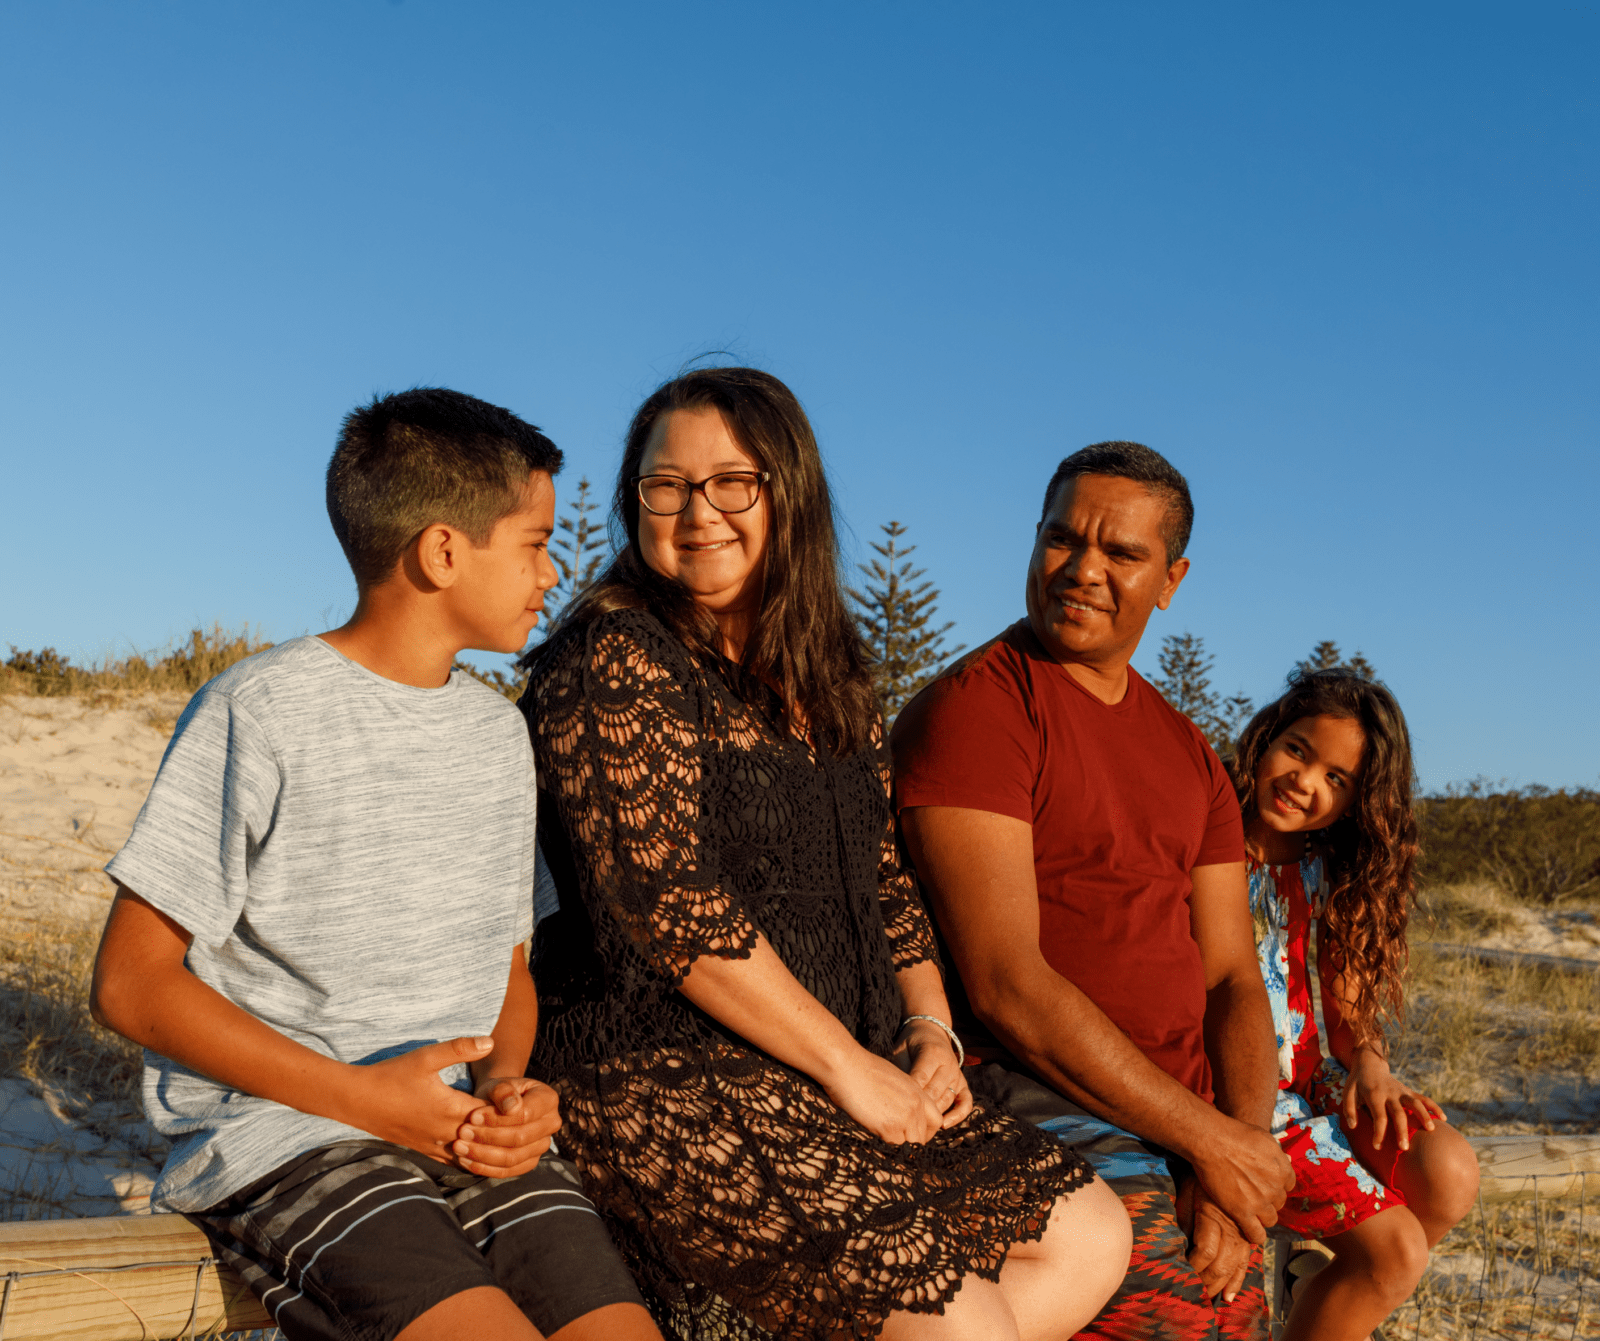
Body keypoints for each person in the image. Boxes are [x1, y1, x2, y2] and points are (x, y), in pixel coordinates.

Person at [519, 366, 1131, 1341]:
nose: (696, 511)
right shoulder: (619, 658)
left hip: (837, 1063)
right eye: (663, 485)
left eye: (732, 481)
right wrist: (849, 1068)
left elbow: (887, 886)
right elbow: (666, 904)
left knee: (1090, 1236)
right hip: (667, 1066)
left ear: (787, 490)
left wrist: (930, 1032)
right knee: (960, 1327)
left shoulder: (827, 669)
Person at [90, 389, 660, 1341]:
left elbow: (508, 969)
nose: (550, 570)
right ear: (443, 551)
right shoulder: (261, 710)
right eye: (532, 541)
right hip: (291, 1138)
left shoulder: (494, 734)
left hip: (462, 1136)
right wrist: (365, 1099)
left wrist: (508, 1082)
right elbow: (131, 981)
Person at [891, 441, 1294, 1340]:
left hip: (1183, 1118)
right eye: (1063, 539)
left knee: (1235, 1316)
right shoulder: (980, 709)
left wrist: (1236, 1145)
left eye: (1122, 553)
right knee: (1175, 1313)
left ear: (1171, 579)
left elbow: (1233, 976)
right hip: (1029, 1094)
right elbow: (1006, 984)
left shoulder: (1192, 754)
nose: (1083, 569)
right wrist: (1210, 1142)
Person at [1233, 669, 1480, 1341]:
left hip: (1309, 1082)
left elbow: (1345, 1011)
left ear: (1356, 801)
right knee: (1397, 1250)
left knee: (1449, 1172)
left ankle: (1327, 1288)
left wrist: (1371, 1064)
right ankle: (1346, 1277)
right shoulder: (1205, 838)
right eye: (1297, 749)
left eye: (1337, 779)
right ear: (1265, 737)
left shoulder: (1327, 866)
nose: (1305, 781)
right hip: (1238, 1093)